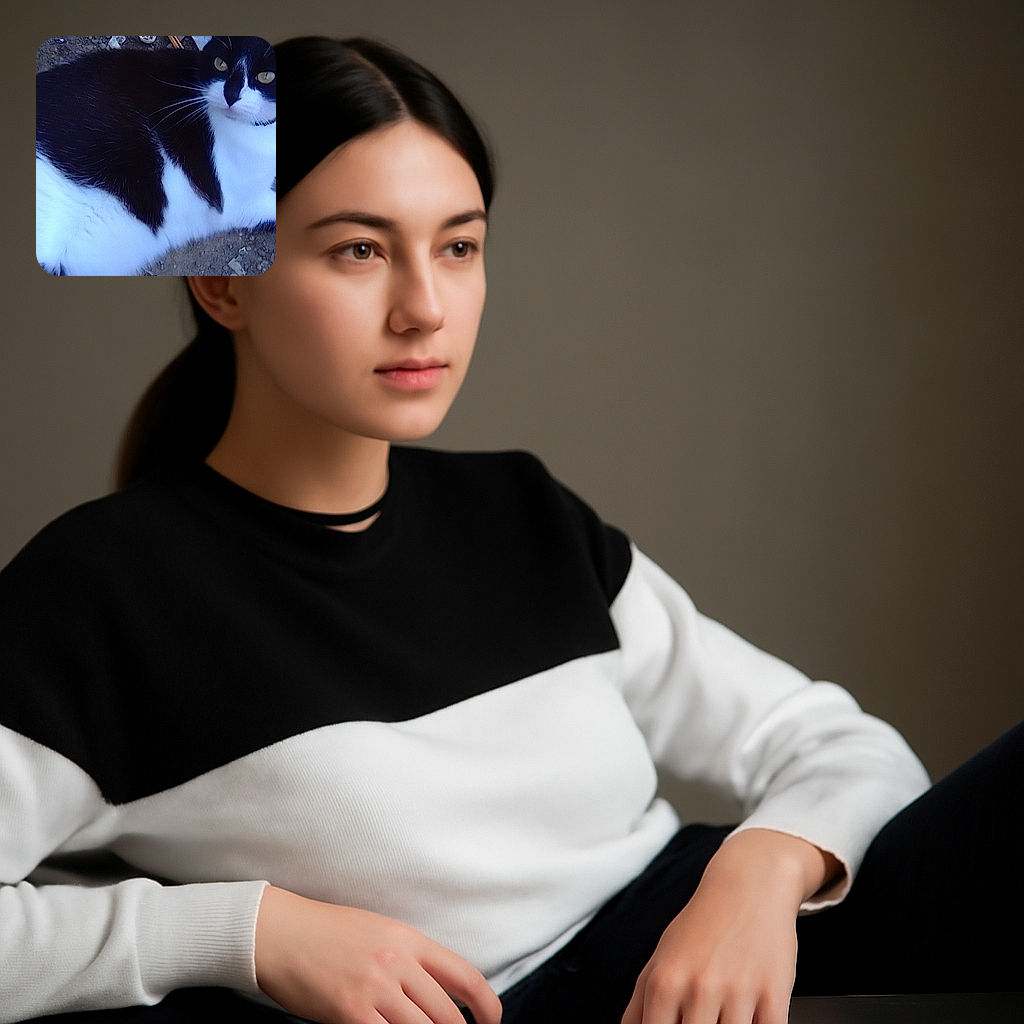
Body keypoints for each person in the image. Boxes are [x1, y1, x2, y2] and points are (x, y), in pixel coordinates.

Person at [1, 35, 1020, 1024]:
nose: (426, 308)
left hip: (708, 953)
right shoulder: (100, 591)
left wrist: (753, 875)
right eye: (359, 250)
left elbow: (842, 746)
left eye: (458, 245)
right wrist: (249, 933)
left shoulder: (524, 512)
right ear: (223, 281)